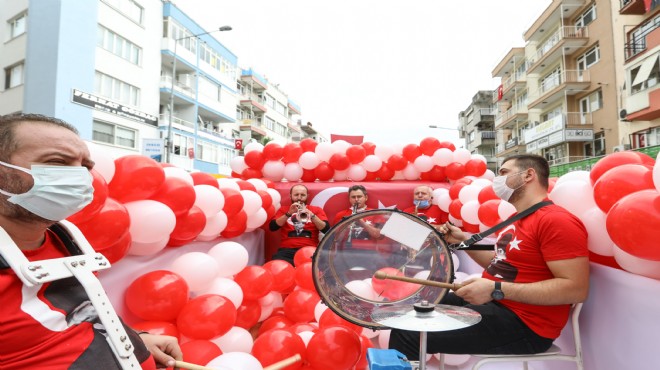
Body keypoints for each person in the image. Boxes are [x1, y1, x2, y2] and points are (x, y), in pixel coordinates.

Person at [0, 114, 182, 369]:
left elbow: (72, 320)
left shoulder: (67, 240)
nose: (80, 177)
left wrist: (133, 339)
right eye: (57, 162)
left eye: (85, 166)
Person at [389, 154, 589, 360]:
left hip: (526, 324)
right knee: (414, 310)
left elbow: (575, 289)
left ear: (529, 175)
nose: (497, 180)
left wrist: (495, 290)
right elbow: (500, 264)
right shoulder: (516, 218)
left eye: (504, 173)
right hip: (498, 305)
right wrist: (460, 242)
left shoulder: (556, 221)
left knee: (409, 333)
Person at [269, 184, 330, 265]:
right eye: (296, 195)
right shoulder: (283, 210)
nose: (299, 198)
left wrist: (312, 216)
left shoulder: (316, 210)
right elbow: (272, 227)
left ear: (307, 196)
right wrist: (289, 213)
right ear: (290, 196)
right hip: (286, 250)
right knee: (276, 265)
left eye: (302, 195)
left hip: (310, 250)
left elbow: (326, 229)